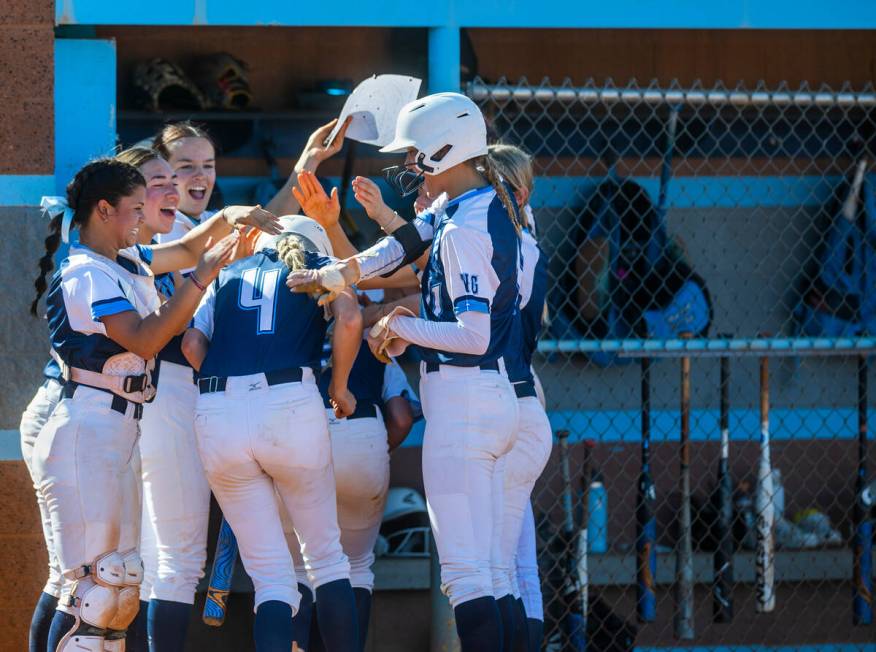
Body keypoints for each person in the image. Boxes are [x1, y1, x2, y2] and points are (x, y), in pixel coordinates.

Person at [289, 92, 523, 651]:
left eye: (419, 155)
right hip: (486, 401)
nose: (411, 166)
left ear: (447, 149)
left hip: (467, 402)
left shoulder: (465, 227)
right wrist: (340, 273)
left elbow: (473, 335)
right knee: (491, 574)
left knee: (468, 579)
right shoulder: (466, 204)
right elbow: (398, 247)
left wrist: (398, 324)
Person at [28, 157, 271, 652]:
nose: (142, 219)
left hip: (119, 429)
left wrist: (230, 219)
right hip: (84, 429)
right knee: (90, 588)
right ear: (102, 209)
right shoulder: (83, 272)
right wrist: (202, 277)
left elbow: (183, 247)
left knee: (122, 584)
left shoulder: (126, 260)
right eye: (133, 209)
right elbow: (142, 339)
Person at [181, 216, 363, 652]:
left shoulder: (226, 272)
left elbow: (190, 344)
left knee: (270, 575)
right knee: (325, 558)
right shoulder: (318, 264)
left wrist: (233, 392)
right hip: (289, 399)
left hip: (217, 406)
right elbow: (352, 319)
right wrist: (338, 387)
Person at [286, 338, 416, 651]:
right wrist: (373, 456)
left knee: (297, 568)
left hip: (297, 436)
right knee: (354, 566)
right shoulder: (372, 341)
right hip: (362, 435)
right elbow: (401, 418)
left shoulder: (291, 330)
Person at [488, 144, 552, 651]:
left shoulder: (505, 242)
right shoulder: (523, 239)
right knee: (515, 562)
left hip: (509, 407)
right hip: (523, 404)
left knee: (497, 566)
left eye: (492, 186)